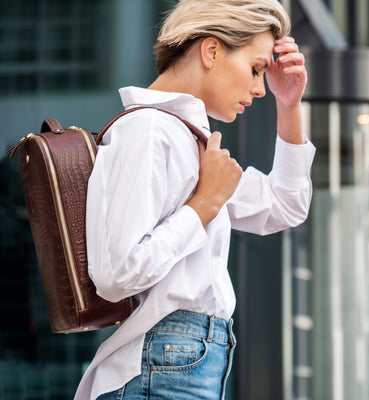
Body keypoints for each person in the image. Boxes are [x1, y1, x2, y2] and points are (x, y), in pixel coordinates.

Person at [75, 0, 315, 399]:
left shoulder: (185, 139)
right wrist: (203, 204)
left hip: (184, 366)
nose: (259, 88)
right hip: (162, 368)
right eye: (256, 69)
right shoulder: (150, 130)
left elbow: (285, 205)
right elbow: (117, 274)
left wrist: (288, 105)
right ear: (212, 50)